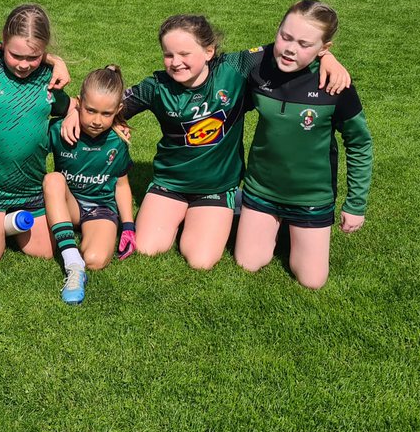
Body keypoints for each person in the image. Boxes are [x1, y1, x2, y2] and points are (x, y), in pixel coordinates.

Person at [63, 15, 347, 272]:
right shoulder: (157, 86)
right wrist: (74, 110)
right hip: (169, 184)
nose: (176, 62)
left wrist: (327, 58)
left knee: (200, 259)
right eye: (168, 54)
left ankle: (233, 210)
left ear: (209, 52)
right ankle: (189, 216)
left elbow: (289, 47)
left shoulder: (235, 68)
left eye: (185, 54)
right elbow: (106, 102)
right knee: (149, 248)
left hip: (216, 188)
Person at [235, 0, 372, 289]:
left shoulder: (336, 85)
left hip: (311, 197)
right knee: (248, 263)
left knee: (311, 280)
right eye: (285, 36)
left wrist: (356, 204)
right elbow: (212, 63)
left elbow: (359, 144)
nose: (290, 48)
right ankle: (245, 207)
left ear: (325, 48)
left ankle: (294, 226)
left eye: (304, 44)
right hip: (262, 189)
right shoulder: (258, 66)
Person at [0, 4, 72, 267]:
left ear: (44, 51)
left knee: (44, 252)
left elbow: (71, 107)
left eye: (33, 57)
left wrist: (75, 113)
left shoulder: (48, 78)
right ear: (4, 42)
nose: (23, 65)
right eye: (15, 55)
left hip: (29, 186)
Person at [43, 65, 134, 305]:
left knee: (94, 259)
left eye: (106, 114)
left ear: (118, 110)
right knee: (53, 179)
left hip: (100, 208)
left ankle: (81, 253)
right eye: (90, 110)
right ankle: (73, 265)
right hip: (68, 204)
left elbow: (122, 185)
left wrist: (128, 226)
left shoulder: (118, 140)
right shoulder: (60, 129)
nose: (96, 121)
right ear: (79, 103)